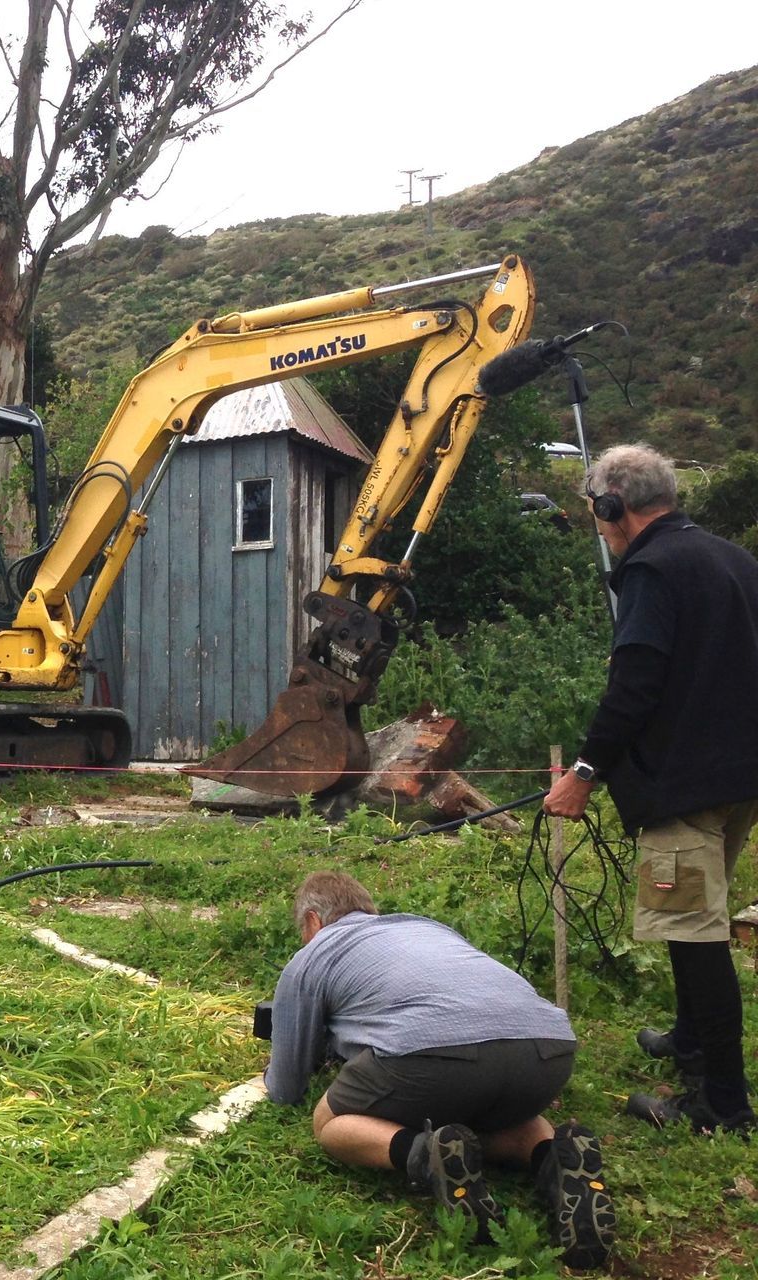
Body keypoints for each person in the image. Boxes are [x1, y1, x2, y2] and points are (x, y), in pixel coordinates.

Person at [542, 442, 758, 1136]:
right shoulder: (733, 558)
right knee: (696, 919)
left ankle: (721, 1104)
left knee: (693, 934)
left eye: (596, 512)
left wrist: (584, 772)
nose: (598, 525)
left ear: (614, 506)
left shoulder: (653, 570)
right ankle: (691, 1042)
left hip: (684, 784)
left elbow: (634, 682)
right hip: (741, 778)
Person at [266, 871, 612, 1269]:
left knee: (330, 1122)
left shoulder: (315, 953)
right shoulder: (425, 927)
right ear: (369, 910)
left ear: (312, 921)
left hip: (432, 1058)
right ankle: (554, 1158)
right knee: (496, 1108)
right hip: (546, 1053)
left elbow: (285, 1087)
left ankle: (424, 1153)